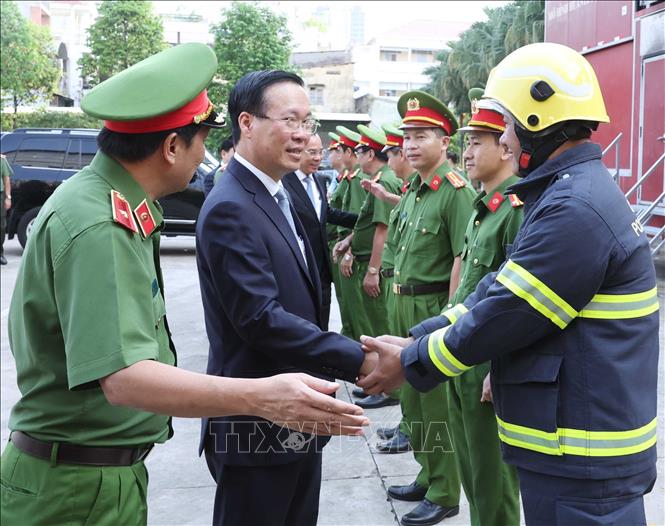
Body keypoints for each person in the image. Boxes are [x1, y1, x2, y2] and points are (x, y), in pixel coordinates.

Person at [0, 44, 368, 526]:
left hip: (94, 474)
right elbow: (125, 378)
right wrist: (262, 396)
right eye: (202, 141)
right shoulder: (99, 223)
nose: (207, 157)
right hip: (73, 489)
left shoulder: (115, 205)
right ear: (173, 146)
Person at [359, 42, 659, 526]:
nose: (505, 140)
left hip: (583, 460)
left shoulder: (574, 208)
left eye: (510, 126)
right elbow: (498, 288)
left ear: (539, 122)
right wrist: (421, 336)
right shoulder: (568, 195)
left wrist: (413, 362)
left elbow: (508, 312)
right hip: (576, 449)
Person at [196, 70, 377, 526]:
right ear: (247, 123)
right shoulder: (232, 206)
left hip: (298, 417)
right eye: (289, 120)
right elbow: (260, 318)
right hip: (257, 427)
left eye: (307, 122)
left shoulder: (278, 193)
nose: (302, 135)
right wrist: (360, 359)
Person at [383, 90, 476, 526]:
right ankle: (427, 473)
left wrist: (448, 319)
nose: (411, 144)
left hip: (433, 305)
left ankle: (444, 491)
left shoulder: (454, 191)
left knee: (436, 404)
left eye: (422, 135)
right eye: (407, 137)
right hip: (402, 302)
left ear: (444, 141)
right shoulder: (415, 189)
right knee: (413, 402)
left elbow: (463, 257)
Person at [442, 87, 523, 526]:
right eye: (466, 142)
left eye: (476, 142)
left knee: (494, 484)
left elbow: (519, 302)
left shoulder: (516, 209)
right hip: (462, 356)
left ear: (505, 148)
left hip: (487, 367)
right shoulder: (483, 208)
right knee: (472, 475)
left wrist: (500, 366)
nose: (467, 152)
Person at [334, 124, 402, 410]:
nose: (357, 155)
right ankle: (381, 386)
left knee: (379, 329)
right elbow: (364, 224)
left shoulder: (385, 181)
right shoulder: (376, 180)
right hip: (364, 259)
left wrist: (373, 270)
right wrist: (349, 241)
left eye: (360, 151)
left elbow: (381, 230)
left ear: (371, 154)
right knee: (371, 327)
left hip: (375, 265)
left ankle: (390, 389)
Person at [282, 133, 357, 330]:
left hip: (321, 266)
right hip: (297, 265)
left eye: (320, 152)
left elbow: (325, 213)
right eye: (311, 152)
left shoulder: (319, 179)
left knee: (321, 321)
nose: (318, 158)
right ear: (298, 152)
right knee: (300, 323)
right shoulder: (283, 182)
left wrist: (363, 219)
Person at [0, 153, 13, 265]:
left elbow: (6, 179)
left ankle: (0, 253)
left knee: (1, 226)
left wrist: (8, 197)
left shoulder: (1, 160)